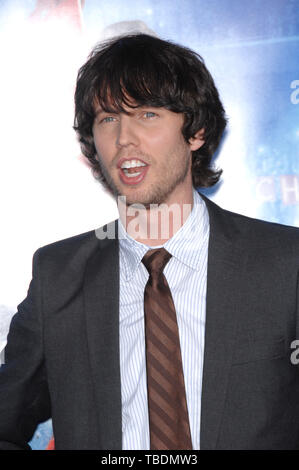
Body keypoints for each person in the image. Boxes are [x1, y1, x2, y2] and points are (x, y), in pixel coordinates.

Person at [1, 33, 299, 451]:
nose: (124, 138)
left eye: (147, 115)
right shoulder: (57, 276)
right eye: (107, 119)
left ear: (195, 131)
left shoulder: (287, 263)